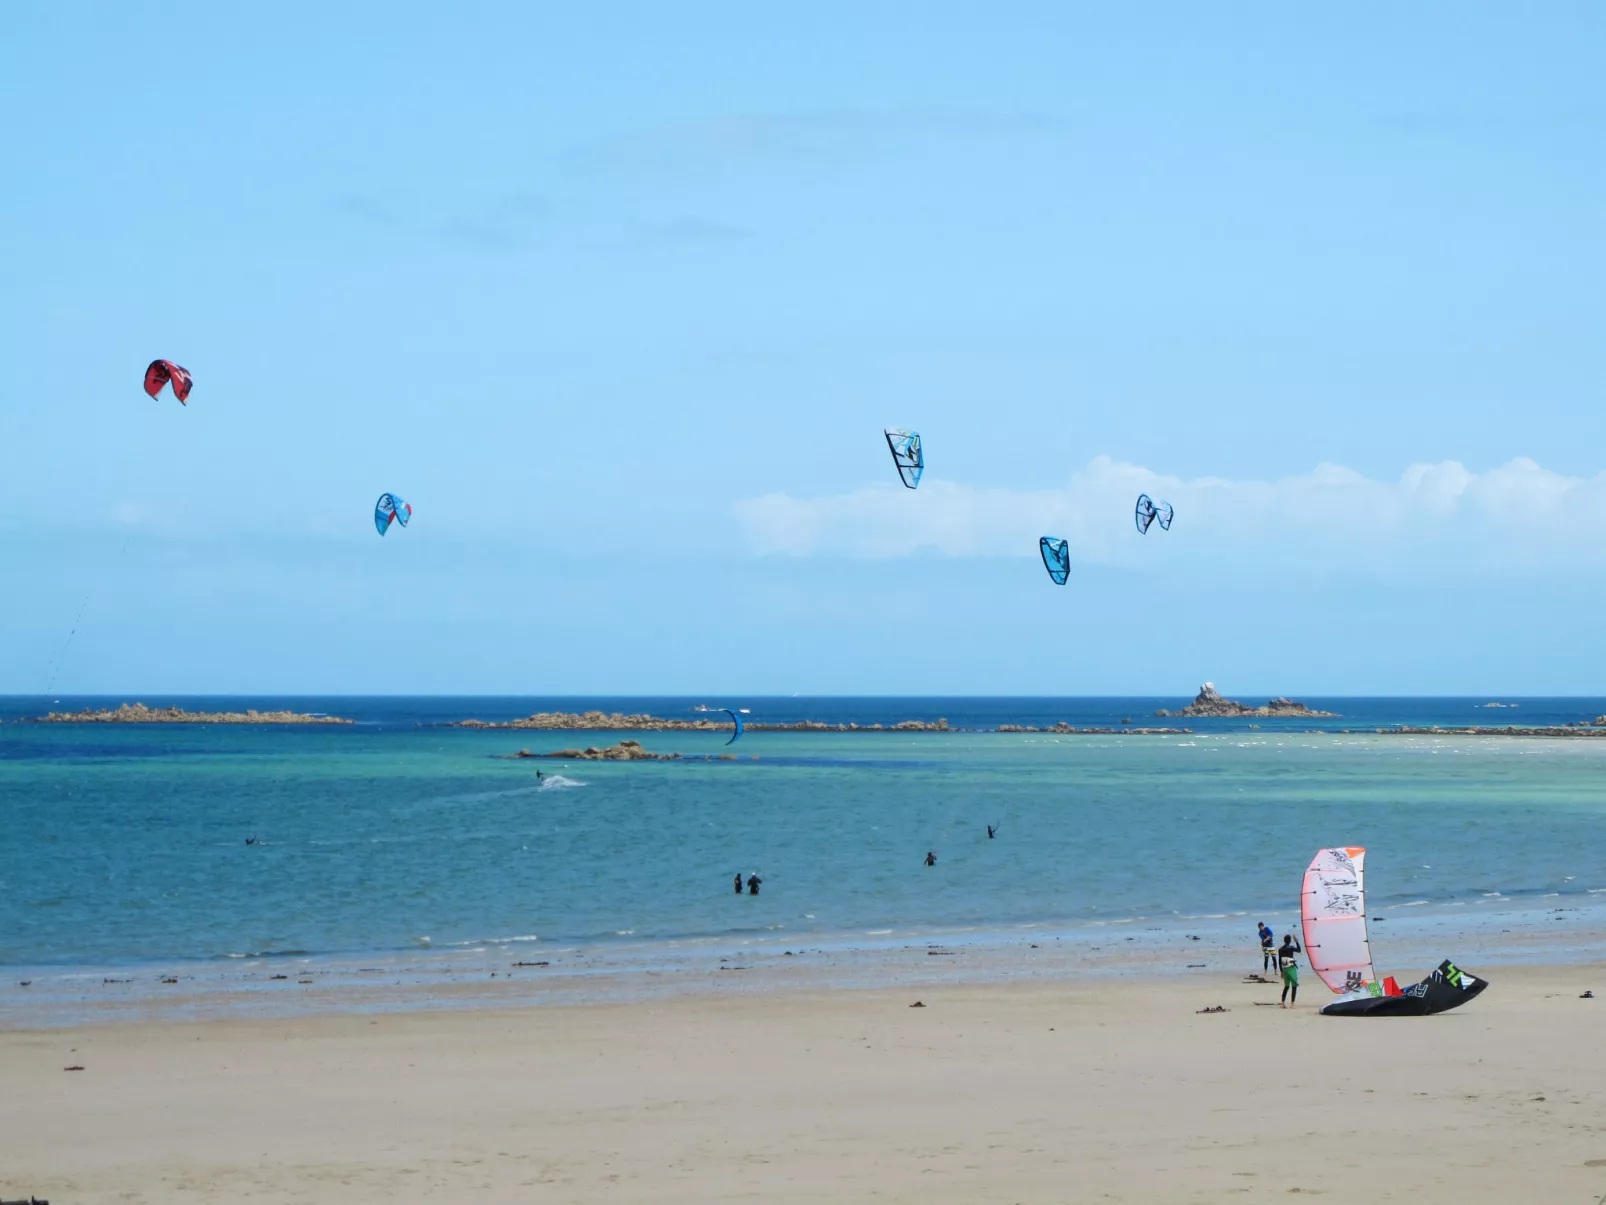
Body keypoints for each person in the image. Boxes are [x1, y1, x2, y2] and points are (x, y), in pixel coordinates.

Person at [1278, 933, 1303, 1008]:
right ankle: (1292, 1004)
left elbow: (1279, 961)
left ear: (1284, 941)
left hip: (1285, 969)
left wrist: (1281, 971)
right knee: (1294, 986)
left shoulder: (1280, 949)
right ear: (1290, 941)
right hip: (1291, 969)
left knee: (1286, 986)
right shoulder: (1291, 948)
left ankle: (1283, 1003)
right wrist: (1297, 941)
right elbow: (1299, 950)